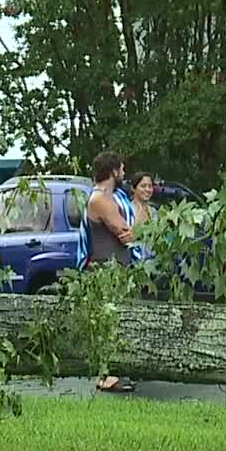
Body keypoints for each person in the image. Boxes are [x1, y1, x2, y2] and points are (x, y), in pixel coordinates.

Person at [78, 151, 136, 392]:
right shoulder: (100, 199)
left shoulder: (113, 197)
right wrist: (145, 229)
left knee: (116, 320)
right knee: (107, 321)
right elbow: (124, 233)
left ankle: (113, 370)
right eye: (121, 170)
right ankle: (105, 375)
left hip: (117, 268)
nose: (123, 174)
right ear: (112, 171)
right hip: (105, 269)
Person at [128, 171, 157, 261]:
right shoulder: (127, 209)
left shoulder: (154, 212)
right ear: (133, 188)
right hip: (132, 260)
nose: (147, 189)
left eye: (150, 186)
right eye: (143, 186)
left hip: (152, 261)